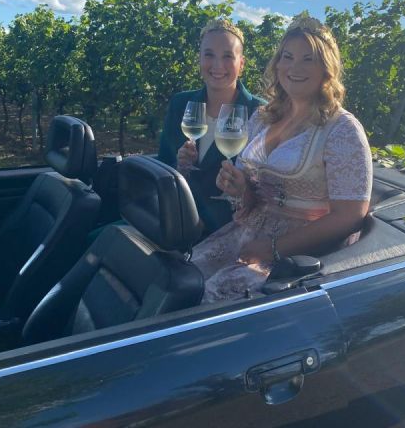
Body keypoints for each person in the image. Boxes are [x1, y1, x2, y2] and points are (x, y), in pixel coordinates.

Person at [191, 16, 373, 302]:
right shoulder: (263, 117)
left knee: (211, 299)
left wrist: (274, 248)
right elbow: (252, 196)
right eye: (287, 57)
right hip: (247, 233)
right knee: (183, 278)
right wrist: (240, 189)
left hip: (297, 254)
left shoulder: (342, 129)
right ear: (277, 63)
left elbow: (350, 216)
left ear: (326, 67)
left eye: (308, 59)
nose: (294, 68)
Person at [158, 18, 265, 236]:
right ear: (199, 59)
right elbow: (162, 166)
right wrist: (180, 166)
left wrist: (241, 188)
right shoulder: (181, 104)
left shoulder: (260, 112)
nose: (217, 65)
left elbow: (269, 188)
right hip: (175, 217)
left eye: (227, 56)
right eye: (209, 55)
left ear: (241, 64)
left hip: (227, 227)